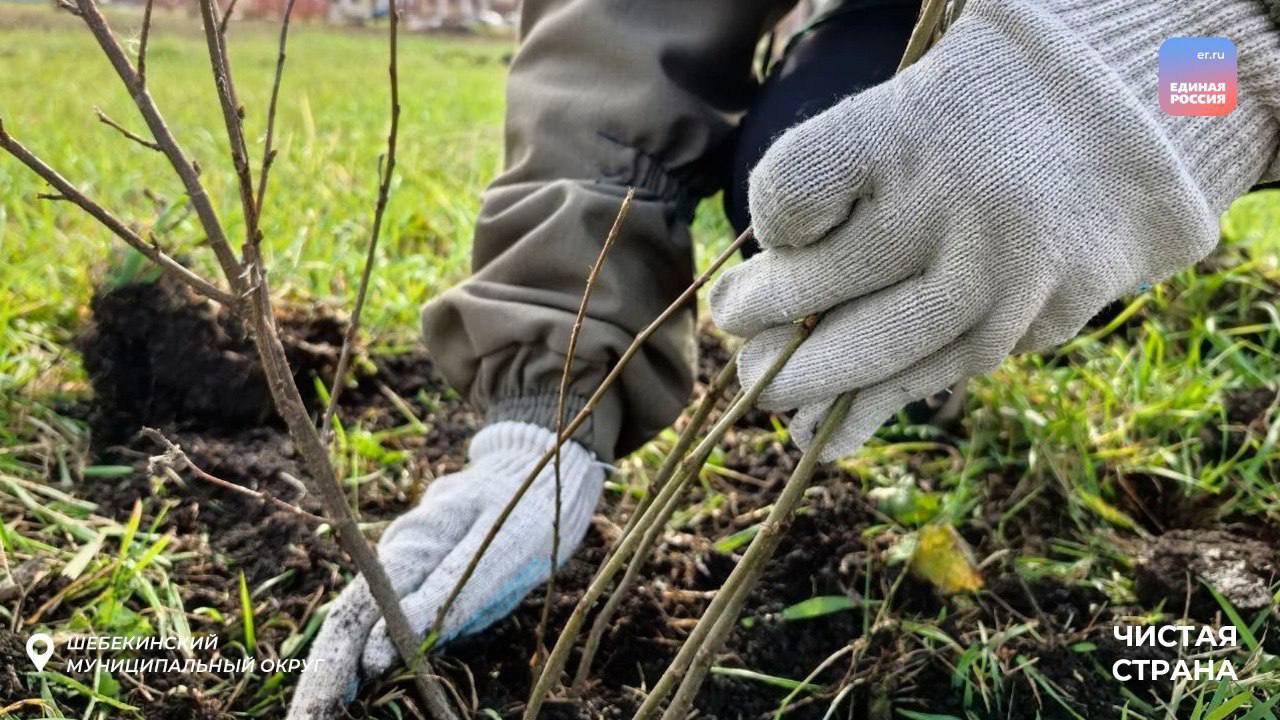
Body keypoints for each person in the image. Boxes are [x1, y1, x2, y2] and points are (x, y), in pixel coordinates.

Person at [289, 0, 1280, 715]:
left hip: (1194, 43)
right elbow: (619, 33)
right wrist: (543, 414)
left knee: (1138, 127)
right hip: (907, 25)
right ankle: (922, 310)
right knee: (807, 150)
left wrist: (1219, 61)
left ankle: (1048, 280)